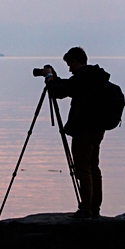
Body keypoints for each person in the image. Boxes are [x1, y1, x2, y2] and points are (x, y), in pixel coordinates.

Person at [42, 47, 111, 219]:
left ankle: (86, 209)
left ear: (75, 61)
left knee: (83, 170)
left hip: (84, 131)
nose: (70, 69)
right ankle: (95, 208)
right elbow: (68, 86)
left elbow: (58, 92)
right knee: (93, 168)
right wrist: (55, 78)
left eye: (70, 65)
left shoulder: (83, 78)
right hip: (97, 129)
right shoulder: (94, 76)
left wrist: (49, 78)